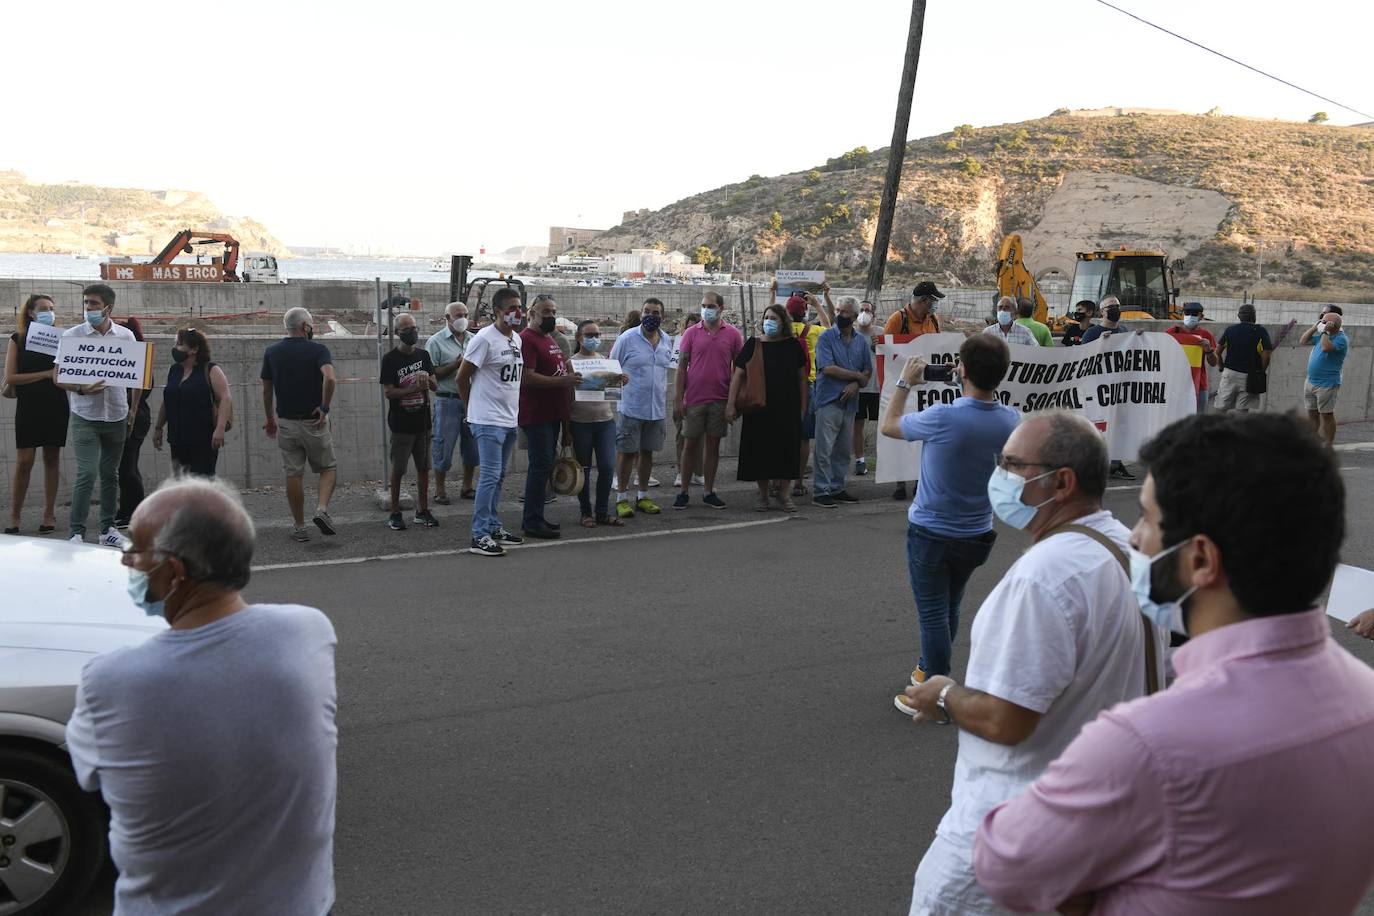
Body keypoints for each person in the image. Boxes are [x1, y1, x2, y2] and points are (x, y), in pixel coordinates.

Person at [973, 412, 1374, 916]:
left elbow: (1005, 864)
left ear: (1201, 560)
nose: (1135, 538)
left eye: (1146, 517)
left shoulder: (1143, 744)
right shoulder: (1365, 702)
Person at [897, 410, 1158, 916]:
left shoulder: (1043, 577)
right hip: (1097, 826)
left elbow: (1007, 718)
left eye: (1013, 465)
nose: (998, 475)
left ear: (1061, 482)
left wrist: (943, 694)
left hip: (1009, 835)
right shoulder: (1129, 552)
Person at [66, 476, 337, 916]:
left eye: (136, 550)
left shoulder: (110, 681)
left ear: (174, 573)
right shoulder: (309, 632)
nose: (128, 561)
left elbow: (91, 776)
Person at [879, 335, 1018, 686]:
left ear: (964, 370)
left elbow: (889, 425)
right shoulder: (1012, 420)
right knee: (949, 608)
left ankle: (935, 689)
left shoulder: (942, 417)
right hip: (976, 532)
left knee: (932, 614)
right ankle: (929, 667)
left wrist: (903, 383)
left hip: (932, 531)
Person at [56, 284, 140, 547]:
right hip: (85, 416)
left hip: (116, 414)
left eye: (93, 303)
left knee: (110, 474)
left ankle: (107, 530)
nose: (88, 308)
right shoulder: (72, 336)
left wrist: (134, 409)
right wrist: (81, 388)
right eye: (86, 303)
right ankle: (76, 532)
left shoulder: (126, 337)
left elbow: (137, 376)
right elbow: (57, 376)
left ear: (108, 308)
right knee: (87, 472)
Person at [457, 287, 526, 556]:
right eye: (511, 308)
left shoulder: (516, 340)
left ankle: (493, 525)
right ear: (497, 310)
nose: (517, 312)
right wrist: (471, 409)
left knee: (498, 477)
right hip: (487, 420)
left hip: (509, 419)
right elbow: (463, 377)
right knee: (488, 476)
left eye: (519, 307)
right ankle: (479, 534)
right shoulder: (484, 339)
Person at [261, 307, 338, 542]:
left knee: (293, 474)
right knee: (328, 468)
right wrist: (324, 407)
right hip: (314, 422)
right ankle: (322, 509)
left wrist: (269, 419)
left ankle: (300, 527)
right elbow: (330, 377)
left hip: (286, 422)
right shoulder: (318, 350)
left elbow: (266, 388)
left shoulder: (272, 352)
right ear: (305, 327)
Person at [726, 303, 808, 512]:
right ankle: (763, 496)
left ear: (783, 322)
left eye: (774, 318)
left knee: (787, 451)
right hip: (758, 407)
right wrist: (731, 403)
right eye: (766, 318)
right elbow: (738, 375)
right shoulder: (753, 344)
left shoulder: (793, 346)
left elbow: (801, 379)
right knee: (760, 451)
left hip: (787, 407)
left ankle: (784, 494)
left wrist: (803, 407)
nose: (768, 322)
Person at [673, 291, 743, 510]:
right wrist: (678, 399)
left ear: (721, 308)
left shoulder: (733, 335)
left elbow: (739, 369)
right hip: (694, 399)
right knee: (689, 445)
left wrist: (733, 402)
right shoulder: (691, 333)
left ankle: (708, 491)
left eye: (710, 305)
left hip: (720, 399)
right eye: (703, 305)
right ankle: (683, 491)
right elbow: (681, 367)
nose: (706, 309)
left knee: (713, 447)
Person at [5, 294, 67, 535]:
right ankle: (14, 516)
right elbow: (11, 378)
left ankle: (49, 515)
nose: (49, 313)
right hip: (29, 405)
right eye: (43, 309)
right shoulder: (18, 339)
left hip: (56, 403)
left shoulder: (62, 339)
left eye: (51, 308)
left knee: (52, 459)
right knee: (24, 461)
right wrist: (45, 374)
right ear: (30, 312)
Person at [519, 293, 578, 539]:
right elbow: (528, 376)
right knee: (540, 466)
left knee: (544, 467)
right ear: (532, 314)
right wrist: (563, 380)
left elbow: (562, 371)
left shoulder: (551, 340)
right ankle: (531, 521)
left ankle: (538, 516)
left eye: (553, 312)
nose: (551, 316)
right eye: (545, 312)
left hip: (553, 414)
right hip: (537, 415)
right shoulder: (527, 339)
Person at [609, 297, 673, 519]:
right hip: (631, 407)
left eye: (655, 312)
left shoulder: (666, 341)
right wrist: (616, 389)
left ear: (662, 317)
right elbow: (612, 367)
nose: (650, 316)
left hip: (656, 409)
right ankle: (621, 498)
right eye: (646, 311)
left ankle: (643, 496)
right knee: (627, 453)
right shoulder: (627, 339)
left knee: (647, 454)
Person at [883, 282, 945, 501]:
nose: (935, 305)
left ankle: (920, 480)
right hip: (903, 385)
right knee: (902, 432)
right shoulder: (898, 319)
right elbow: (886, 350)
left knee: (923, 434)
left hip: (926, 386)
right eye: (933, 300)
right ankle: (900, 482)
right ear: (924, 300)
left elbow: (939, 349)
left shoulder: (934, 321)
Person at [810, 296, 873, 508]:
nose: (839, 315)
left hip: (850, 403)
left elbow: (867, 370)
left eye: (844, 312)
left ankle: (837, 487)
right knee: (824, 449)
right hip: (829, 400)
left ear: (854, 316)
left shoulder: (860, 342)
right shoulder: (826, 337)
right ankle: (821, 490)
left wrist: (856, 384)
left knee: (843, 450)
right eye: (837, 310)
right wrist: (857, 377)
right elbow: (828, 368)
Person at [380, 312, 440, 531]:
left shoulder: (423, 355)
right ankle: (395, 512)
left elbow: (435, 385)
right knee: (399, 469)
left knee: (424, 468)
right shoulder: (390, 359)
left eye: (414, 327)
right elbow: (389, 392)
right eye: (406, 329)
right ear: (397, 333)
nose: (412, 332)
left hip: (423, 423)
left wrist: (428, 380)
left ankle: (423, 510)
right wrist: (414, 387)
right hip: (401, 425)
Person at [152, 327, 231, 476]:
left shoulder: (211, 370)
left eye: (179, 344)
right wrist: (158, 427)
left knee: (202, 485)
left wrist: (220, 429)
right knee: (181, 485)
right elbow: (167, 400)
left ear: (194, 349)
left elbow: (225, 398)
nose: (175, 348)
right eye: (175, 344)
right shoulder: (174, 370)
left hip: (203, 440)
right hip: (177, 439)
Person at [570, 321, 622, 528]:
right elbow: (566, 398)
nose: (594, 339)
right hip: (580, 423)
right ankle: (585, 513)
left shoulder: (605, 361)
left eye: (597, 334)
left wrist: (620, 381)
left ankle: (602, 511)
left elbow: (610, 392)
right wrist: (566, 429)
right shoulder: (571, 363)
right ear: (579, 337)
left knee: (608, 467)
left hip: (605, 422)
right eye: (589, 335)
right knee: (583, 470)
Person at [426, 301, 478, 503]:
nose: (462, 319)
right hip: (447, 400)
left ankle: (467, 487)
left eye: (465, 314)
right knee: (443, 446)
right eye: (458, 315)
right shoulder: (435, 342)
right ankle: (440, 490)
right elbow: (432, 372)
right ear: (447, 318)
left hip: (472, 400)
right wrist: (456, 364)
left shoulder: (474, 340)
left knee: (472, 446)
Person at [1079, 298, 1137, 480]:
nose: (1115, 310)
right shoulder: (1092, 333)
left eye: (1117, 307)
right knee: (1097, 426)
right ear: (1102, 312)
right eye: (1110, 307)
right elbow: (1083, 358)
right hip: (1098, 388)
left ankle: (1115, 463)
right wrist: (1100, 345)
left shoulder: (1124, 332)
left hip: (1119, 388)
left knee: (1119, 426)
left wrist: (1140, 339)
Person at [785, 287, 827, 499]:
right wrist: (818, 304)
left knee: (782, 435)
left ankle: (778, 481)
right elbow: (829, 328)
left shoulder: (781, 330)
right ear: (805, 312)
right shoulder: (811, 331)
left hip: (783, 386)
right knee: (803, 437)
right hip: (807, 387)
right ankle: (799, 482)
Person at [113, 315, 151, 528]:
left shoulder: (139, 358)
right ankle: (126, 509)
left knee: (128, 466)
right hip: (127, 415)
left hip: (134, 417)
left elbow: (142, 389)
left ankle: (135, 511)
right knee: (124, 466)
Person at [1299, 305, 1347, 449]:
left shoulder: (1341, 338)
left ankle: (1329, 444)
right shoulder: (1321, 334)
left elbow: (1326, 348)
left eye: (1324, 317)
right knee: (1312, 413)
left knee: (1326, 415)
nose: (1321, 319)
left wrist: (1325, 331)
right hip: (1311, 381)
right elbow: (1303, 341)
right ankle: (1313, 441)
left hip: (1327, 384)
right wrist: (1315, 328)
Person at [1214, 303, 1272, 412]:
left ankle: (1217, 428)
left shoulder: (1230, 330)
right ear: (1254, 316)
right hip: (1249, 376)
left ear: (1239, 316)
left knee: (1221, 408)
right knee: (1242, 410)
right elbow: (1266, 354)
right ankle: (1239, 429)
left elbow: (1217, 352)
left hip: (1229, 373)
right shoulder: (1260, 331)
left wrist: (1221, 367)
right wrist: (1261, 371)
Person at [670, 313, 705, 490]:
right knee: (681, 435)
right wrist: (678, 397)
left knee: (700, 437)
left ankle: (698, 472)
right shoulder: (680, 342)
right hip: (683, 393)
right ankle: (680, 472)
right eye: (689, 326)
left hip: (700, 394)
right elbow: (677, 368)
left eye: (696, 325)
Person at [1163, 302, 1217, 413]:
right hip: (1177, 384)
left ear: (1201, 316)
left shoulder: (1206, 335)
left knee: (1198, 419)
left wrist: (1208, 349)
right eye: (1187, 313)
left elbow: (1213, 362)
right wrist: (1141, 335)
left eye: (1194, 314)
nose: (1190, 316)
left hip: (1199, 384)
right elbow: (1156, 345)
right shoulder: (1172, 332)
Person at [852, 300, 880, 476]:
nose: (864, 313)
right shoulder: (851, 334)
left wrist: (881, 346)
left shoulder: (882, 334)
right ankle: (860, 461)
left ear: (873, 315)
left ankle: (885, 458)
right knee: (858, 426)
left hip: (878, 387)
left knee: (883, 425)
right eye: (861, 310)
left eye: (867, 310)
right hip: (859, 388)